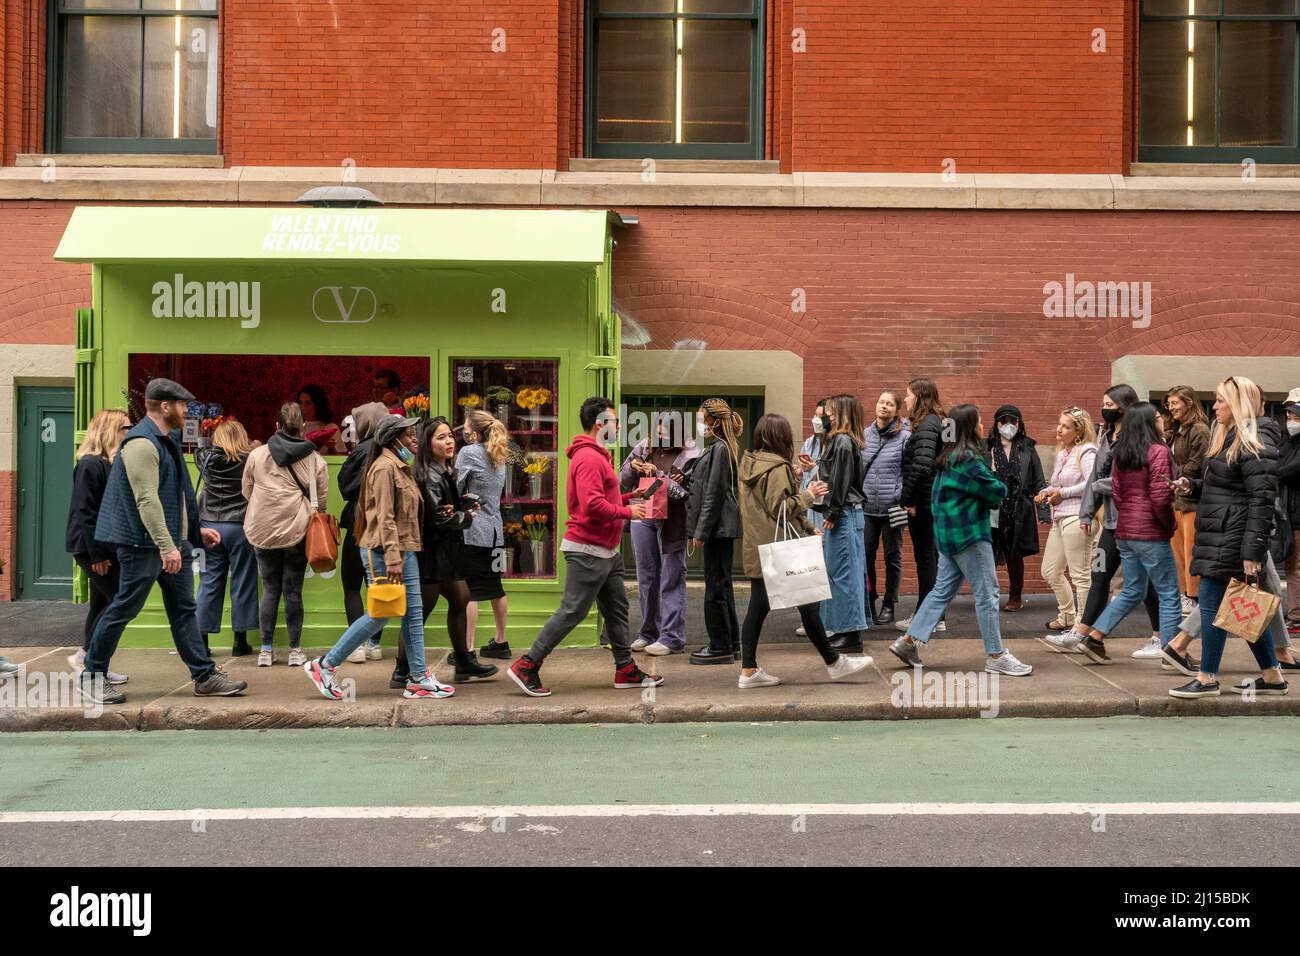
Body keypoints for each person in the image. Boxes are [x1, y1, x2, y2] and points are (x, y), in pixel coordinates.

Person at [77, 378, 247, 705]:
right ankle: (92, 675)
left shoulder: (162, 440)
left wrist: (193, 535)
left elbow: (175, 497)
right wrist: (166, 546)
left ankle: (204, 675)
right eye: (182, 405)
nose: (188, 411)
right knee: (125, 606)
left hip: (168, 543)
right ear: (165, 406)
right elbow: (147, 500)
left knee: (184, 609)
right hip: (144, 544)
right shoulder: (141, 443)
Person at [507, 397, 660, 697]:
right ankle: (527, 664)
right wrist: (628, 512)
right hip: (588, 549)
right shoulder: (589, 458)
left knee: (617, 610)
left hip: (606, 550)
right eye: (615, 422)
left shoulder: (596, 455)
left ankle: (625, 669)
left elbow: (602, 499)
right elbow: (591, 506)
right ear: (600, 424)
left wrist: (629, 499)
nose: (618, 426)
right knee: (573, 610)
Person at [305, 414, 453, 700]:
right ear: (392, 437)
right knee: (381, 613)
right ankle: (324, 665)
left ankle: (419, 678)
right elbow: (383, 516)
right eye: (408, 433)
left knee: (413, 614)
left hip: (403, 549)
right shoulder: (384, 468)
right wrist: (394, 557)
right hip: (385, 552)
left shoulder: (399, 466)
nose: (414, 437)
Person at [887, 404, 1032, 676]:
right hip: (970, 536)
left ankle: (908, 641)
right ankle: (996, 655)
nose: (981, 426)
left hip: (947, 537)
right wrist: (995, 478)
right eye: (978, 422)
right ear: (968, 427)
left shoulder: (947, 457)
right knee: (988, 594)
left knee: (941, 590)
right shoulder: (970, 460)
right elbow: (996, 492)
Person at [1166, 376, 1288, 699]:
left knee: (1211, 605)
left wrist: (1252, 552)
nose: (1215, 406)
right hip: (1221, 534)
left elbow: (1262, 502)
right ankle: (1273, 675)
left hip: (1232, 539)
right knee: (1240, 607)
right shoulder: (1229, 438)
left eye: (1220, 400)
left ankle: (1207, 678)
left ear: (1236, 404)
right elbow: (1226, 489)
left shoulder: (1253, 440)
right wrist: (1192, 486)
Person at [736, 413, 873, 688]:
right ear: (781, 437)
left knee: (760, 608)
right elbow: (782, 508)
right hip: (781, 549)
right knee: (809, 605)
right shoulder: (776, 468)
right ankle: (834, 663)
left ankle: (750, 670)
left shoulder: (751, 462)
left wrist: (808, 528)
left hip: (761, 548)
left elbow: (773, 507)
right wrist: (809, 496)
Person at [1052, 403, 1182, 665]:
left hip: (1123, 531)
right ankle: (1172, 652)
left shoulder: (1122, 453)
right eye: (1157, 418)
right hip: (1151, 532)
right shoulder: (1159, 451)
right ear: (1148, 423)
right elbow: (1160, 496)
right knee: (1168, 592)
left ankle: (1095, 637)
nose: (1161, 421)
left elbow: (1118, 494)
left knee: (1131, 590)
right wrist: (1169, 526)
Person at [405, 416, 497, 685]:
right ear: (427, 443)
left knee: (461, 598)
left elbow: (445, 510)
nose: (448, 442)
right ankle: (402, 670)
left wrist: (460, 508)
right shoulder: (429, 473)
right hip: (433, 552)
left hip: (446, 551)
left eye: (449, 436)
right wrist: (465, 517)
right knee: (419, 613)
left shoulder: (443, 469)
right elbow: (438, 518)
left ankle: (464, 662)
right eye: (440, 438)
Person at [242, 402, 329, 667]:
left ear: (276, 425)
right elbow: (321, 501)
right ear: (303, 426)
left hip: (263, 529)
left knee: (269, 588)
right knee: (293, 590)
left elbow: (246, 490)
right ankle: (295, 650)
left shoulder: (257, 455)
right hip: (297, 529)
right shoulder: (314, 458)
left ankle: (266, 651)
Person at [620, 412, 698, 656]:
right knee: (646, 576)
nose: (659, 435)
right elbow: (622, 480)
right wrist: (633, 467)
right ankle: (648, 633)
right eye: (658, 430)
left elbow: (687, 491)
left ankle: (672, 637)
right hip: (643, 515)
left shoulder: (691, 453)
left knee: (672, 577)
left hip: (673, 519)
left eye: (665, 431)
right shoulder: (645, 445)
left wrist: (658, 475)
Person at [66, 407, 132, 684]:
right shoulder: (90, 465)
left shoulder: (106, 463)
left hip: (104, 545)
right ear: (110, 431)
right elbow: (86, 512)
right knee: (119, 599)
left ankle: (93, 660)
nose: (129, 432)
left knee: (102, 602)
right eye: (125, 428)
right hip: (91, 547)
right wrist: (98, 554)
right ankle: (88, 658)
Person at [195, 419, 259, 658]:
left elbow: (200, 448)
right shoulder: (249, 459)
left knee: (209, 580)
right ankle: (239, 641)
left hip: (210, 524)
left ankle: (202, 641)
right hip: (240, 526)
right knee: (243, 581)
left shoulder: (205, 458)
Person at [686, 398, 744, 664]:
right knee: (722, 586)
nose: (700, 424)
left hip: (717, 529)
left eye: (702, 419)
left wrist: (701, 531)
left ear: (716, 422)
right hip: (720, 528)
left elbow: (714, 493)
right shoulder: (719, 448)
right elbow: (707, 484)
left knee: (715, 588)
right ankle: (730, 643)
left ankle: (720, 645)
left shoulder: (719, 449)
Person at [1035, 407, 1098, 633]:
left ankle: (1083, 624)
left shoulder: (1088, 451)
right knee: (1050, 571)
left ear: (1078, 431)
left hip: (1079, 518)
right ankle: (1068, 615)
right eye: (1059, 424)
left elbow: (1093, 482)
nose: (1059, 429)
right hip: (1060, 518)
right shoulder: (1063, 453)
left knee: (1080, 575)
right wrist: (1047, 491)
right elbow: (1060, 485)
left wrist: (1064, 493)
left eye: (1065, 426)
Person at [818, 394, 871, 654]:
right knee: (845, 572)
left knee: (843, 574)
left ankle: (849, 633)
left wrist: (832, 512)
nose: (824, 414)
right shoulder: (843, 441)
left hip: (843, 513)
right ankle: (846, 629)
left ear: (840, 413)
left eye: (829, 410)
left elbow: (839, 480)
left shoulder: (841, 441)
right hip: (847, 513)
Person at [458, 409, 512, 659]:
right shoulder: (498, 453)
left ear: (476, 432)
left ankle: (467, 648)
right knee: (495, 587)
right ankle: (501, 641)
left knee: (470, 591)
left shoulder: (468, 452)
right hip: (494, 531)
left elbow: (456, 486)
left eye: (466, 425)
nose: (463, 429)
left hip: (473, 531)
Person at [337, 402, 390, 652]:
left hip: (358, 524)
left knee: (351, 585)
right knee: (376, 584)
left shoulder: (360, 451)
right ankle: (374, 643)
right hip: (382, 526)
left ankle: (356, 646)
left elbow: (345, 486)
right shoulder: (392, 450)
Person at [986, 404, 1048, 614]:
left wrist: (1044, 512)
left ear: (1019, 424)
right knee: (989, 552)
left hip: (1019, 509)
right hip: (993, 509)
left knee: (1015, 555)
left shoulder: (1028, 449)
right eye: (1004, 421)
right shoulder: (987, 449)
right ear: (997, 423)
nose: (1008, 425)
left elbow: (1039, 481)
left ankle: (1015, 596)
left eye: (1013, 421)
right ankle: (988, 595)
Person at [896, 378, 946, 633]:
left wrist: (910, 500)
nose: (905, 400)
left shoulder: (927, 424)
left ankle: (927, 616)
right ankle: (934, 615)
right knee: (932, 559)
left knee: (926, 559)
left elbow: (922, 464)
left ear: (919, 397)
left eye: (908, 395)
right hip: (930, 501)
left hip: (924, 504)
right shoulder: (936, 421)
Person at [861, 390, 910, 625]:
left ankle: (889, 604)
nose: (884, 407)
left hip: (894, 508)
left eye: (889, 404)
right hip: (867, 507)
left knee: (893, 556)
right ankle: (869, 599)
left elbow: (907, 471)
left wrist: (897, 495)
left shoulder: (904, 437)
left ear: (896, 410)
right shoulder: (863, 436)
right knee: (866, 555)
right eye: (881, 402)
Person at [1165, 385, 1212, 615]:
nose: (1170, 407)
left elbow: (1197, 465)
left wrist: (1168, 472)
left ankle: (1194, 597)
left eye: (1175, 403)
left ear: (1189, 403)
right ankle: (1186, 596)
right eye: (1169, 403)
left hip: (1193, 500)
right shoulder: (1176, 429)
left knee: (1192, 552)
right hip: (1178, 499)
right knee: (1180, 554)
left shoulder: (1200, 430)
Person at [793, 397, 831, 637]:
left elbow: (828, 477)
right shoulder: (809, 442)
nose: (816, 420)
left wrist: (813, 469)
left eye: (821, 416)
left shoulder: (836, 443)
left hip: (824, 512)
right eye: (815, 415)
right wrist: (798, 472)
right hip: (808, 510)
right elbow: (802, 479)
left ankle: (827, 621)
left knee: (826, 566)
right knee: (809, 568)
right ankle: (810, 620)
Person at [1281, 391, 1300, 636]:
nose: (1289, 419)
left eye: (1294, 415)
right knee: (1292, 566)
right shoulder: (1289, 442)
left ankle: (1296, 616)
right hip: (1289, 512)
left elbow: (1286, 471)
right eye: (1288, 414)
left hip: (1297, 514)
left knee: (1294, 567)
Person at [297, 383, 347, 455]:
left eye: (307, 403)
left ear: (318, 404)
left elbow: (342, 459)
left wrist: (331, 448)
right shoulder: (297, 429)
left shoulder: (331, 428)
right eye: (300, 403)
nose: (303, 407)